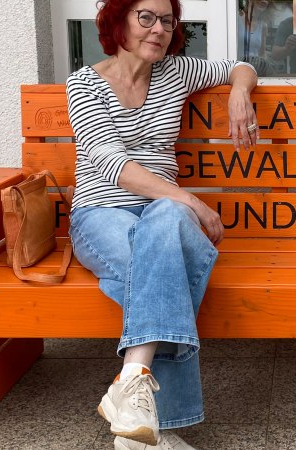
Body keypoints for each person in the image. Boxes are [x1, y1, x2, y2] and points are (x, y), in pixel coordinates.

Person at [65, 0, 259, 449]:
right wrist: (192, 200)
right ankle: (158, 426)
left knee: (167, 225)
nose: (159, 29)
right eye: (145, 18)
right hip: (100, 215)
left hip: (162, 216)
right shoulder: (84, 83)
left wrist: (238, 92)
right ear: (117, 22)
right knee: (166, 264)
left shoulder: (176, 72)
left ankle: (133, 393)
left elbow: (242, 65)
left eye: (167, 21)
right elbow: (110, 162)